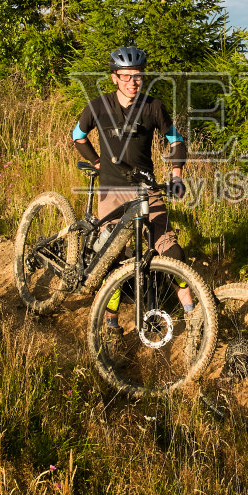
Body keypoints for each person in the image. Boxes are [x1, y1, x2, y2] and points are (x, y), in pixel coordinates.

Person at [72, 45, 195, 327]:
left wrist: (176, 174)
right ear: (114, 77)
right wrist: (97, 162)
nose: (132, 83)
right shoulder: (98, 106)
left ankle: (194, 314)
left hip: (146, 189)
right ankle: (111, 321)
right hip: (112, 192)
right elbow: (77, 135)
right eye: (125, 77)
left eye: (137, 76)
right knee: (112, 258)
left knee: (172, 251)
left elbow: (175, 141)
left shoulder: (153, 107)